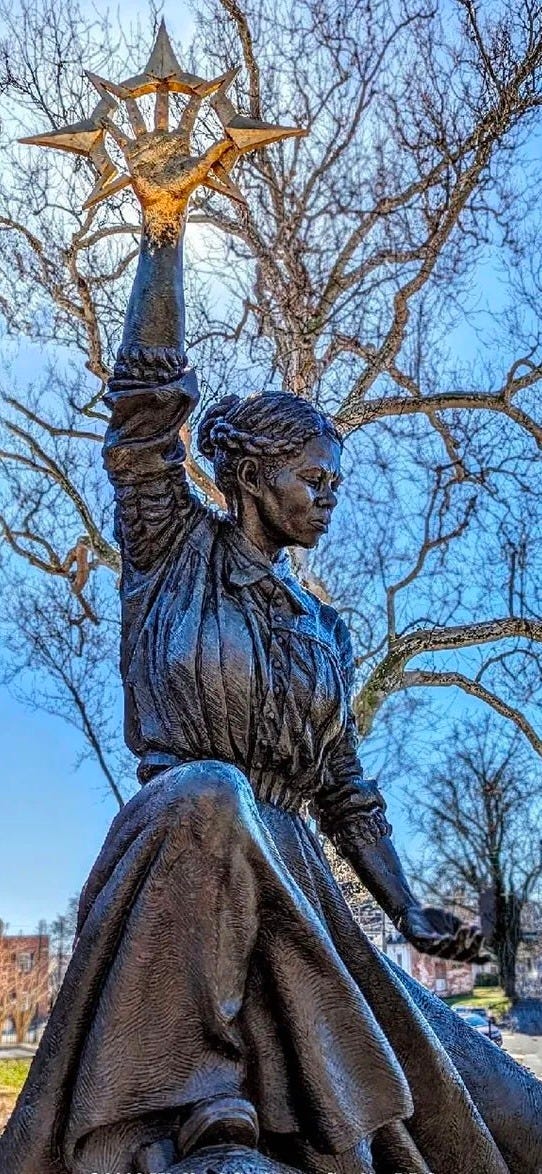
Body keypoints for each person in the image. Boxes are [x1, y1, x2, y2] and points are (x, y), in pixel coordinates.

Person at [2, 228, 542, 1174]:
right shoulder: (171, 548)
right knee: (212, 792)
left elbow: (345, 787)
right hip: (181, 858)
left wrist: (408, 908)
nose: (330, 500)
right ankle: (205, 1106)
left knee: (510, 1119)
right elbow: (141, 412)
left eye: (335, 483)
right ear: (252, 476)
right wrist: (164, 230)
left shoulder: (323, 631)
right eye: (314, 479)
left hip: (305, 896)